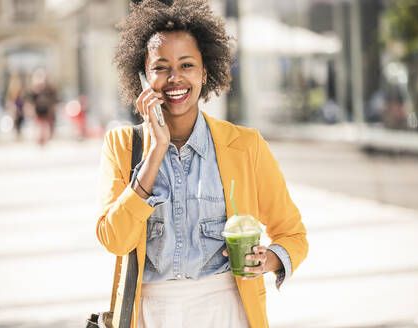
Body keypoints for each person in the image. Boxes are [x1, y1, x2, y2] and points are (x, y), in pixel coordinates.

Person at [96, 1, 308, 327]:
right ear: (142, 77)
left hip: (227, 310)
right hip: (150, 313)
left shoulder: (245, 145)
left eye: (186, 65)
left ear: (205, 72)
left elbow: (292, 233)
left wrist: (272, 259)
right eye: (160, 67)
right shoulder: (122, 146)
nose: (174, 78)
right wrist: (155, 153)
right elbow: (114, 239)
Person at [28, 68, 57, 146]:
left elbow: (53, 99)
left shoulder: (49, 88)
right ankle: (39, 139)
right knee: (39, 124)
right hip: (39, 109)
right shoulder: (34, 89)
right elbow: (31, 100)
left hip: (46, 109)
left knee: (45, 124)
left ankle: (45, 138)